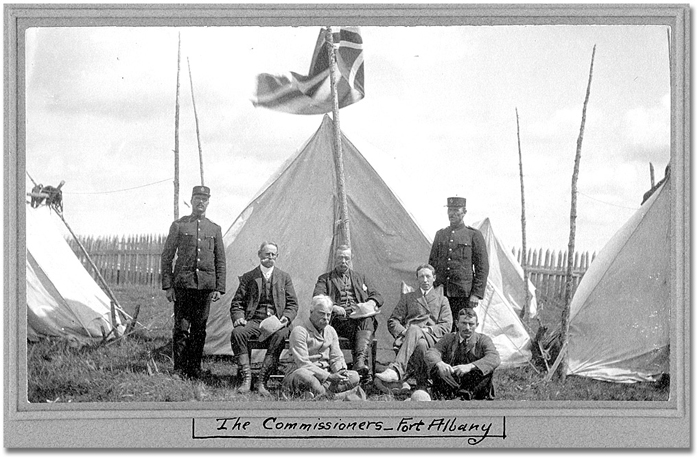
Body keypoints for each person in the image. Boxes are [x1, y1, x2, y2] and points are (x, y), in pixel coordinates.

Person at [161, 185, 226, 379]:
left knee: (199, 329)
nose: (200, 202)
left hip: (205, 287)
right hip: (183, 285)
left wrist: (219, 287)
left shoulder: (214, 229)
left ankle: (194, 368)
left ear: (208, 202)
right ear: (191, 200)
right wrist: (168, 285)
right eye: (197, 198)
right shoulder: (179, 225)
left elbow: (220, 260)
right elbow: (167, 257)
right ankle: (179, 369)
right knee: (181, 328)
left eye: (204, 199)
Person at [230, 242, 298, 395]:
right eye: (267, 254)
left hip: (277, 322)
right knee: (238, 333)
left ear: (277, 257)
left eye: (273, 254)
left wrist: (286, 318)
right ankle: (246, 379)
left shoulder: (284, 277)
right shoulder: (249, 277)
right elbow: (237, 303)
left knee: (281, 335)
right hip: (254, 321)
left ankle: (262, 380)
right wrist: (239, 317)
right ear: (259, 254)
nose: (270, 257)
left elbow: (293, 303)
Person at [375, 264, 452, 392]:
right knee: (419, 344)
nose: (425, 280)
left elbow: (446, 326)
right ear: (417, 279)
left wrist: (425, 330)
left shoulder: (442, 300)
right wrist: (405, 332)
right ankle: (422, 384)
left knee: (415, 330)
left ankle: (397, 370)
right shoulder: (408, 298)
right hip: (410, 338)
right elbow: (393, 320)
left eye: (428, 276)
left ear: (434, 278)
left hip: (432, 339)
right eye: (421, 276)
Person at [312, 245, 383, 380]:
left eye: (346, 258)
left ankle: (359, 364)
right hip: (340, 322)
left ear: (351, 259)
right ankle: (360, 366)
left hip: (359, 318)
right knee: (365, 324)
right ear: (335, 258)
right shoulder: (325, 279)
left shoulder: (360, 277)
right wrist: (333, 307)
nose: (343, 261)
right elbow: (317, 297)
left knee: (367, 320)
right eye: (340, 258)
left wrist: (370, 303)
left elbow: (377, 295)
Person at [284, 295, 365, 400]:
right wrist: (329, 376)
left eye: (328, 315)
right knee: (303, 375)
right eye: (321, 314)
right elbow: (303, 363)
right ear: (311, 311)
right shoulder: (299, 331)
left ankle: (317, 395)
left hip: (326, 378)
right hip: (303, 375)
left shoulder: (330, 331)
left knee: (354, 376)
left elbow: (336, 357)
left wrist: (341, 372)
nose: (325, 318)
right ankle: (336, 397)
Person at [428, 196, 489, 325]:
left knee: (462, 327)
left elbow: (482, 267)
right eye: (450, 210)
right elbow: (431, 264)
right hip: (442, 292)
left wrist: (476, 294)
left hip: (463, 294)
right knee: (442, 327)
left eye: (456, 210)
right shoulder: (441, 234)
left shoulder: (473, 235)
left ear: (464, 212)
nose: (452, 213)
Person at [425, 307, 501, 400]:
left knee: (485, 370)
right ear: (457, 323)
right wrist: (440, 364)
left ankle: (465, 395)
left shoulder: (483, 340)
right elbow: (432, 352)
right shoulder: (449, 338)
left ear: (477, 325)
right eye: (464, 323)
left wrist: (470, 366)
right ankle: (449, 395)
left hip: (473, 382)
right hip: (452, 379)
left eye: (471, 324)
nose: (467, 328)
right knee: (436, 368)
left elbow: (494, 357)